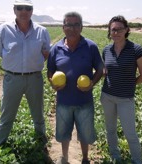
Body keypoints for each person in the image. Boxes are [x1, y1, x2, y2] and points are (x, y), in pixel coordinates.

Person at [47, 11, 104, 164]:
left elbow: (100, 69)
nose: (72, 28)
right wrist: (53, 83)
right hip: (63, 100)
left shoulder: (90, 46)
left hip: (84, 101)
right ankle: (64, 157)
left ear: (81, 27)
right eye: (68, 25)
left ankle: (85, 158)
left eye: (76, 24)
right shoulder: (56, 49)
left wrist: (92, 83)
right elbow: (50, 71)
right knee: (64, 133)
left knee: (85, 133)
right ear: (63, 27)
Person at [0, 0, 51, 149]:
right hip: (12, 78)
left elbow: (46, 53)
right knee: (7, 115)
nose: (23, 11)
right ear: (14, 10)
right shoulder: (4, 29)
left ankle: (41, 142)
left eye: (27, 8)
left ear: (32, 11)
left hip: (35, 78)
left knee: (38, 113)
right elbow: (0, 53)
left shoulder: (42, 31)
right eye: (20, 7)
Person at [100, 15, 142, 164]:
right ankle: (115, 156)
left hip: (125, 99)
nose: (116, 32)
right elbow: (105, 71)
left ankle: (137, 161)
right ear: (109, 31)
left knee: (130, 133)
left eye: (119, 29)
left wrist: (130, 84)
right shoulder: (106, 50)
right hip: (107, 96)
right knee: (110, 129)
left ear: (126, 30)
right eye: (113, 29)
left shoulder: (136, 50)